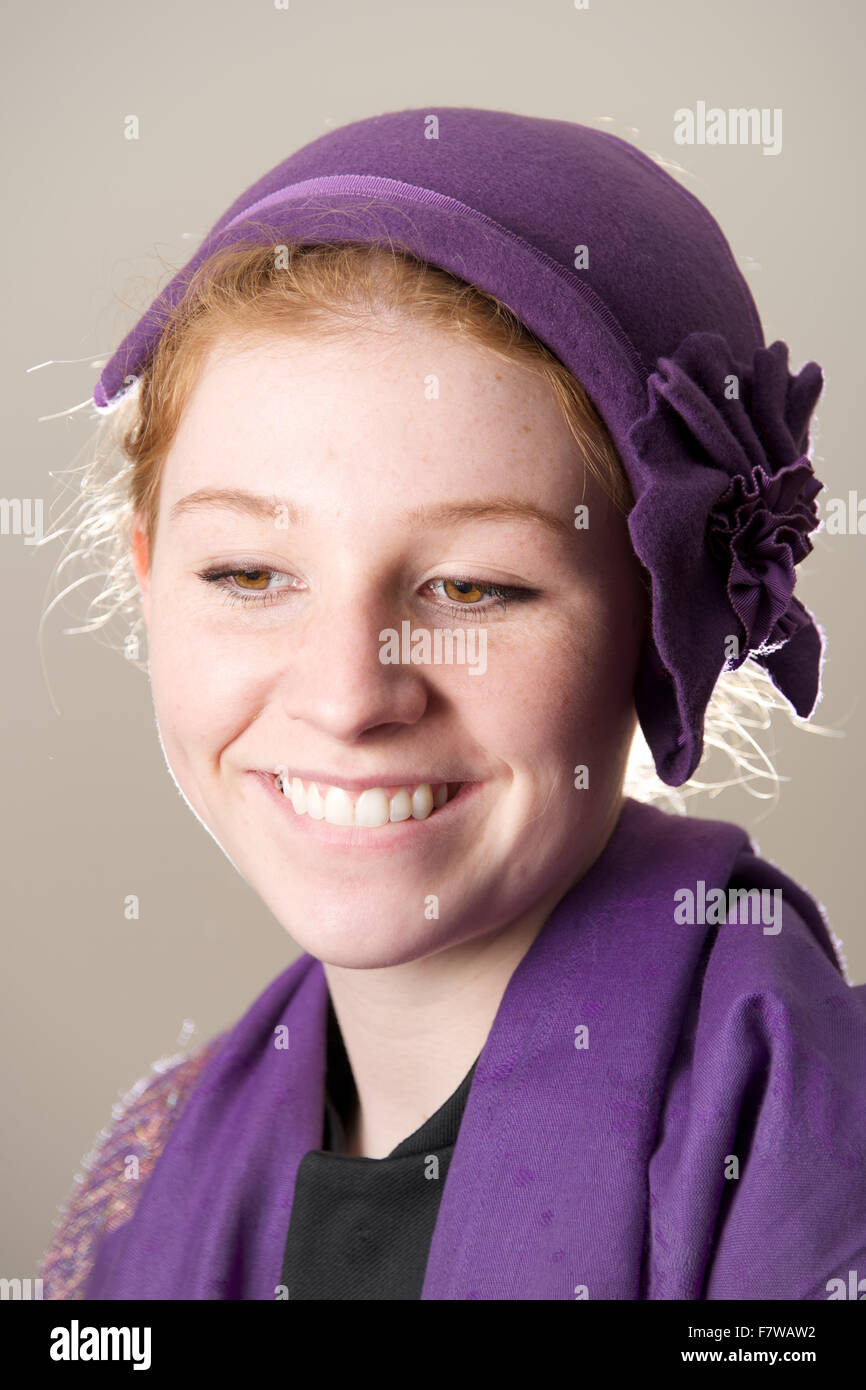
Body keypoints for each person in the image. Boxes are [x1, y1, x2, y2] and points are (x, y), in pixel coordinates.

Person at [37, 106, 866, 1300]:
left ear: (660, 626)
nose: (347, 694)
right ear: (148, 574)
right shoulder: (152, 1160)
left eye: (472, 585)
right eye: (248, 573)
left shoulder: (814, 1164)